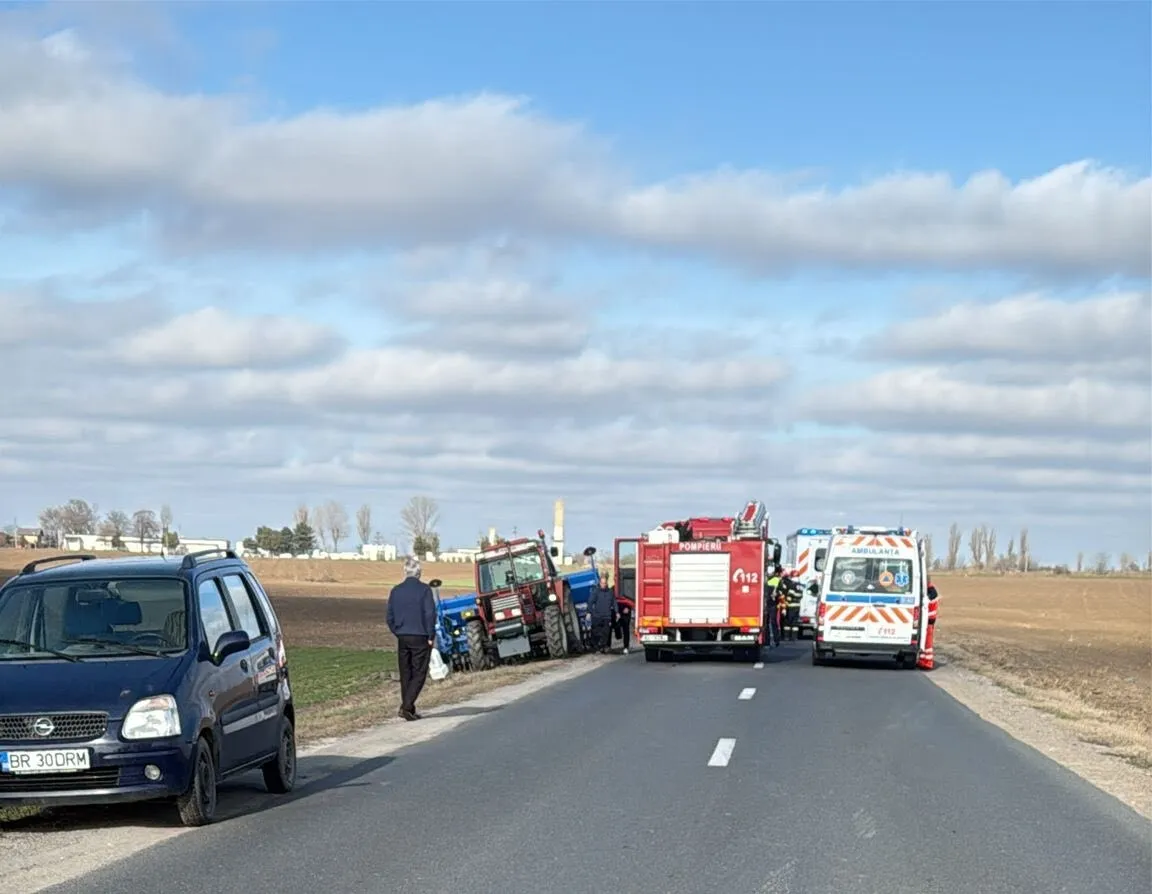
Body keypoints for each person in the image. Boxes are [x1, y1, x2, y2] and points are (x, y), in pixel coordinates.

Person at [386, 557, 437, 721]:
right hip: (420, 635)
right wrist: (431, 635)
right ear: (419, 572)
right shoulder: (424, 590)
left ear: (405, 572)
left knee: (406, 672)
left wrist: (398, 631)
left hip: (402, 636)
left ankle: (409, 708)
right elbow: (430, 613)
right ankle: (406, 706)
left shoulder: (396, 591)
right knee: (419, 672)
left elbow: (389, 617)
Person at [587, 573, 616, 653]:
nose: (603, 585)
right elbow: (590, 602)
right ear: (600, 583)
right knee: (596, 632)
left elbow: (614, 602)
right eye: (602, 583)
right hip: (597, 616)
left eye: (605, 583)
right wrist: (590, 612)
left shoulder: (610, 592)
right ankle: (595, 647)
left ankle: (603, 647)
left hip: (607, 616)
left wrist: (617, 612)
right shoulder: (596, 592)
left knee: (606, 633)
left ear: (607, 583)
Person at [917, 579, 939, 670]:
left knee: (928, 643)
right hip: (928, 619)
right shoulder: (931, 592)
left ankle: (928, 662)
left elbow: (928, 605)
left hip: (929, 620)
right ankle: (922, 660)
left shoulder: (931, 593)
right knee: (924, 641)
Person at [612, 571, 633, 655]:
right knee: (613, 625)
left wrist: (628, 608)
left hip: (625, 612)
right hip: (616, 611)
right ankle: (608, 645)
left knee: (626, 629)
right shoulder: (612, 589)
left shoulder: (627, 589)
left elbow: (631, 598)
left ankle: (626, 647)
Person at [764, 564, 782, 647]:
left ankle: (776, 640)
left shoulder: (777, 580)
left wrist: (777, 594)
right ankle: (767, 642)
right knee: (766, 623)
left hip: (773, 604)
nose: (769, 574)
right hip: (766, 604)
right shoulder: (765, 579)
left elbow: (781, 591)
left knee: (773, 622)